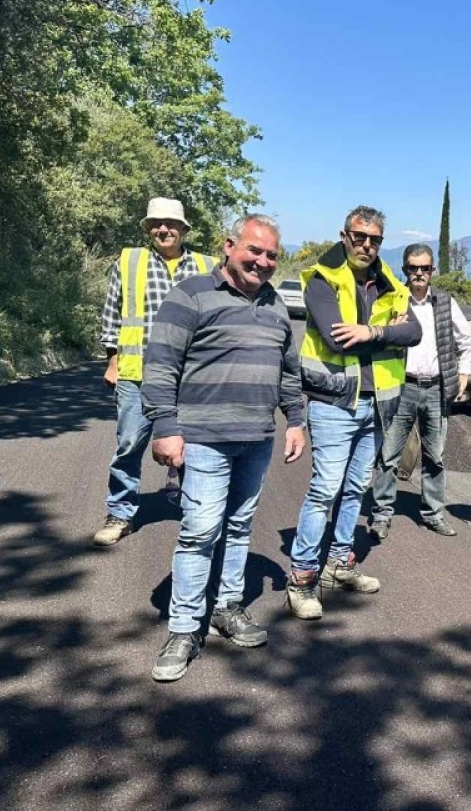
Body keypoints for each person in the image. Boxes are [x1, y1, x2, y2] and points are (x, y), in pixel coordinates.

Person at [142, 214, 306, 682]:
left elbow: (287, 370)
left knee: (238, 525)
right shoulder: (191, 294)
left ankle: (227, 607)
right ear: (229, 246)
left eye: (272, 255)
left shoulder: (276, 305)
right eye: (254, 250)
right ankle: (184, 628)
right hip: (204, 438)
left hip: (255, 439)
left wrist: (295, 419)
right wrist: (165, 427)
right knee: (199, 531)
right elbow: (160, 365)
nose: (263, 261)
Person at [286, 206, 422, 620]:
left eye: (374, 239)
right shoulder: (323, 280)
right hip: (334, 402)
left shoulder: (390, 282)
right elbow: (335, 337)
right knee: (325, 488)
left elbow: (413, 333)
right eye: (359, 236)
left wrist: (373, 332)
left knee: (354, 488)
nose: (366, 245)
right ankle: (302, 577)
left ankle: (340, 562)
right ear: (344, 235)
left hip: (377, 404)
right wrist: (385, 335)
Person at [94, 197, 217, 548]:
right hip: (138, 373)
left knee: (196, 446)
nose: (164, 229)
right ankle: (120, 512)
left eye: (171, 223)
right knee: (130, 444)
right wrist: (113, 361)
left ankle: (196, 510)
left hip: (190, 375)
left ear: (183, 228)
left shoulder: (207, 266)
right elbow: (112, 314)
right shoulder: (130, 261)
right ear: (149, 229)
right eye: (157, 224)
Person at [368, 244, 471, 541]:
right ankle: (381, 515)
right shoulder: (394, 299)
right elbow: (374, 338)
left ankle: (432, 514)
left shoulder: (444, 302)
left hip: (435, 389)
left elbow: (466, 341)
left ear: (432, 271)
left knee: (435, 455)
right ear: (404, 269)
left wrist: (464, 373)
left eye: (424, 268)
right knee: (389, 455)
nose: (418, 274)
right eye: (413, 268)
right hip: (402, 386)